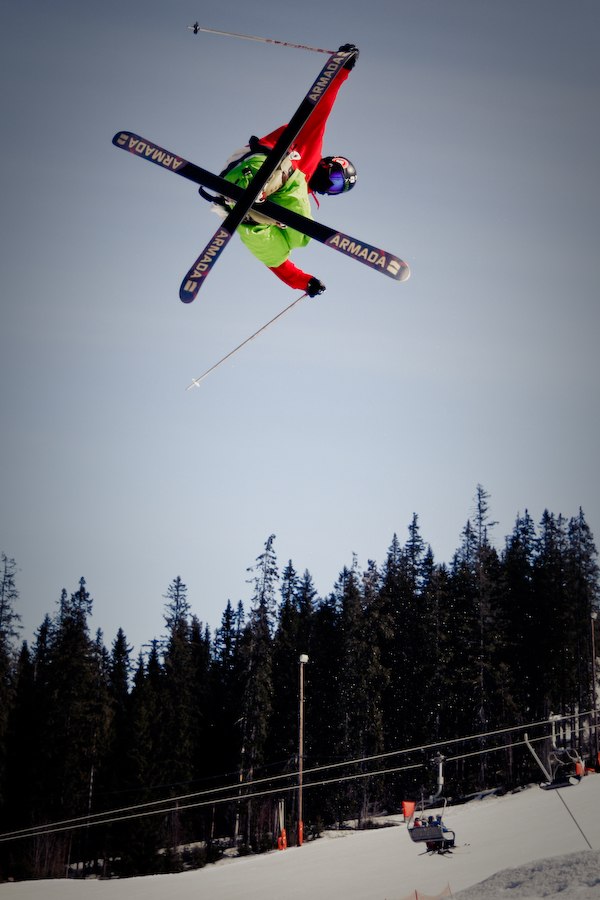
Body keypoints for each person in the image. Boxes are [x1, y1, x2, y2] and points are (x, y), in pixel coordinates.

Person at [216, 44, 359, 296]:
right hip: (260, 166)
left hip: (261, 200)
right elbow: (321, 108)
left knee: (294, 242)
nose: (328, 187)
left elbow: (277, 264)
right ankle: (254, 190)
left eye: (335, 189)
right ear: (328, 163)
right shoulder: (310, 148)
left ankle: (252, 219)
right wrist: (340, 69)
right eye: (335, 177)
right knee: (302, 217)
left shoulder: (302, 196)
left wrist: (305, 282)